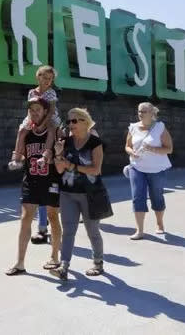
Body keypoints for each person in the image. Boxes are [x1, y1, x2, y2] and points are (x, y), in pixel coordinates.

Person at [6, 98, 61, 276]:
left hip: (50, 180)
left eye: (38, 109)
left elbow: (54, 152)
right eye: (31, 110)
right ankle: (20, 262)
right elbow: (19, 156)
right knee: (25, 217)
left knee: (53, 217)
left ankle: (54, 257)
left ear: (45, 111)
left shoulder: (53, 130)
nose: (34, 113)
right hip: (31, 179)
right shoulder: (26, 132)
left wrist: (48, 157)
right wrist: (16, 161)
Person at [50, 108, 105, 281]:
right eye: (68, 121)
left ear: (84, 121)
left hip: (90, 193)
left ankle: (98, 263)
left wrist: (72, 166)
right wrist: (58, 153)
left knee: (92, 231)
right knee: (68, 231)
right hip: (68, 193)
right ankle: (64, 266)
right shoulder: (65, 142)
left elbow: (96, 170)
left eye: (74, 121)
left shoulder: (94, 142)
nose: (70, 124)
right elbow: (59, 169)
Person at [12, 66, 61, 245]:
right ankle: (17, 155)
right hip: (35, 117)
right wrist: (31, 122)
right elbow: (29, 109)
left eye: (50, 78)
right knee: (21, 130)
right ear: (38, 77)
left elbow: (51, 112)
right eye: (44, 77)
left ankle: (48, 151)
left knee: (52, 129)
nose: (47, 81)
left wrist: (42, 124)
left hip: (49, 117)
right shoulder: (32, 91)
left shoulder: (51, 94)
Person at [124, 102, 174, 240]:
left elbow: (169, 148)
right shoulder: (133, 127)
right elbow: (127, 146)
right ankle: (139, 230)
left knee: (156, 196)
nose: (141, 114)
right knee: (137, 196)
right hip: (136, 167)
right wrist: (131, 152)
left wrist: (152, 149)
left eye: (144, 111)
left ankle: (159, 223)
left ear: (152, 113)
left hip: (156, 169)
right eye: (139, 111)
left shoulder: (160, 127)